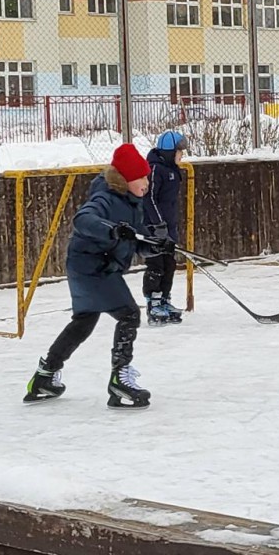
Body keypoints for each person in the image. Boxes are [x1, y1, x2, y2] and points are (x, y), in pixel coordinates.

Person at [23, 143, 174, 410]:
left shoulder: (133, 202)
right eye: (143, 178)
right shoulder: (104, 197)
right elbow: (83, 220)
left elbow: (135, 239)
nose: (148, 184)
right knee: (129, 314)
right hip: (93, 268)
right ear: (127, 179)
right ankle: (120, 380)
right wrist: (113, 230)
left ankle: (45, 376)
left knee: (83, 322)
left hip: (91, 267)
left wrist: (155, 245)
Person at [142, 130, 187, 326]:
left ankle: (165, 299)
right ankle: (153, 303)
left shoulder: (172, 170)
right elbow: (149, 198)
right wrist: (158, 224)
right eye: (179, 151)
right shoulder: (155, 169)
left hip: (169, 227)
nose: (182, 155)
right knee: (156, 265)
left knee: (169, 264)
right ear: (169, 152)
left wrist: (170, 227)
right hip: (154, 229)